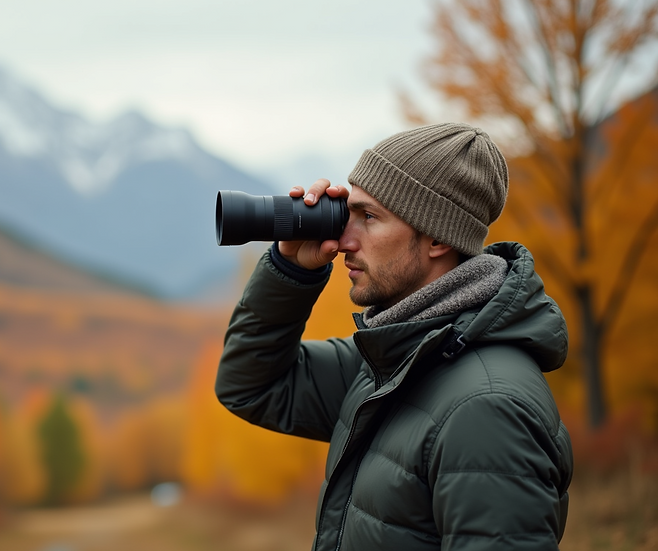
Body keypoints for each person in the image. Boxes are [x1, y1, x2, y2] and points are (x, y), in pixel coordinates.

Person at [216, 122, 573, 551]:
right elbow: (253, 386)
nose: (344, 240)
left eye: (369, 217)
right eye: (349, 213)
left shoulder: (487, 408)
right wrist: (292, 268)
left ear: (438, 235)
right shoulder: (391, 360)